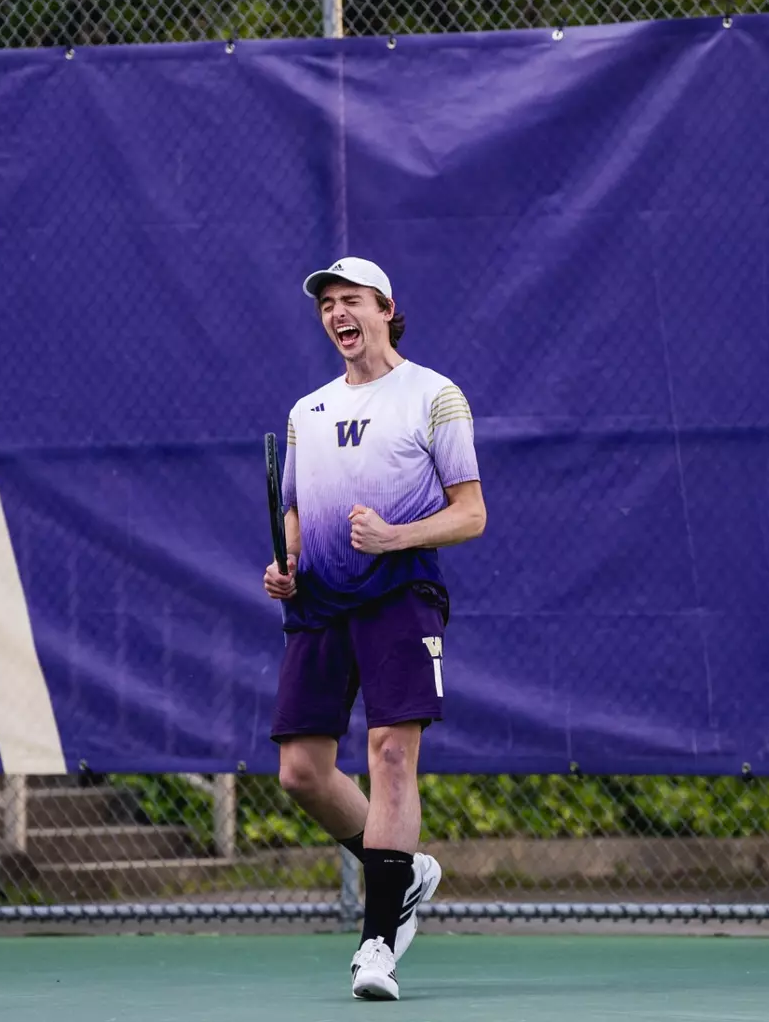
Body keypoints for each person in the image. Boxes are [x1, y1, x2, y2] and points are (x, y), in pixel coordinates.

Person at [262, 256, 486, 1000]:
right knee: (300, 770)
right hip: (320, 604)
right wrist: (286, 564)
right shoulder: (307, 411)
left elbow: (471, 511)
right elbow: (294, 509)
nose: (336, 314)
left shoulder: (434, 396)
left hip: (401, 593)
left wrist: (396, 536)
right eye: (327, 304)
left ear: (386, 308)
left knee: (391, 752)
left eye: (350, 300)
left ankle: (377, 943)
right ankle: (404, 871)